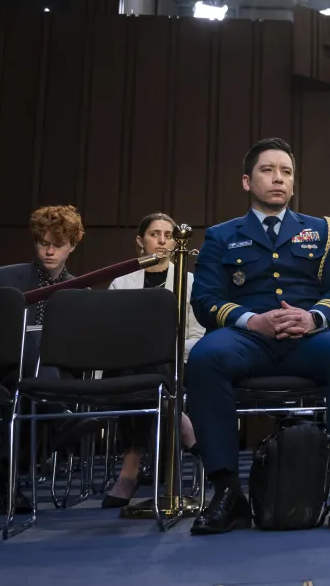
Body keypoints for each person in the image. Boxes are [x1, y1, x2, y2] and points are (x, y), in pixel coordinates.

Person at [185, 138, 330, 534]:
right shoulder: (221, 236)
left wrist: (313, 318)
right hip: (247, 340)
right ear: (247, 181)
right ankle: (226, 493)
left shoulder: (321, 231)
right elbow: (205, 300)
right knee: (203, 358)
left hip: (309, 339)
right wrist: (253, 321)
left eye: (286, 172)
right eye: (268, 170)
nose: (278, 179)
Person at [0, 205, 86, 515]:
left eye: (58, 244)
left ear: (72, 246)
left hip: (48, 377)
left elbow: (77, 346)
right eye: (43, 243)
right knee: (28, 365)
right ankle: (62, 420)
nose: (50, 250)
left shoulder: (78, 288)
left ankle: (8, 483)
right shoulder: (4, 278)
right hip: (4, 367)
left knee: (28, 387)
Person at [103, 212, 203, 508]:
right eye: (154, 234)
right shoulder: (121, 284)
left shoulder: (191, 281)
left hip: (173, 363)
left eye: (168, 235)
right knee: (133, 367)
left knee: (147, 368)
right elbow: (109, 337)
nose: (161, 241)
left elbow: (197, 335)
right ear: (140, 241)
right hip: (127, 366)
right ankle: (177, 416)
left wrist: (164, 350)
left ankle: (129, 471)